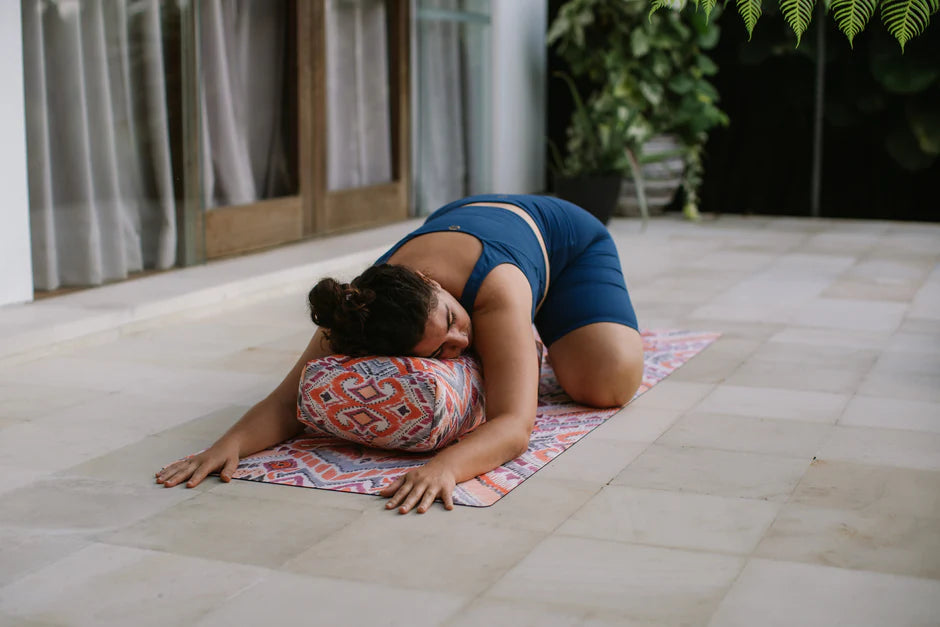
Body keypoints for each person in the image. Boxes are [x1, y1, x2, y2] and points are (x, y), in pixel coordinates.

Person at [156, 194, 643, 513]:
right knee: (498, 354)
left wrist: (443, 467)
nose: (461, 342)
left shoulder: (493, 292)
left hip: (566, 243)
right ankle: (519, 343)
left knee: (604, 383)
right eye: (440, 352)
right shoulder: (363, 310)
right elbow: (289, 403)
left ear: (431, 284)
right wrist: (228, 445)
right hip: (462, 223)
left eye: (453, 321)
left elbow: (514, 426)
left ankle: (533, 333)